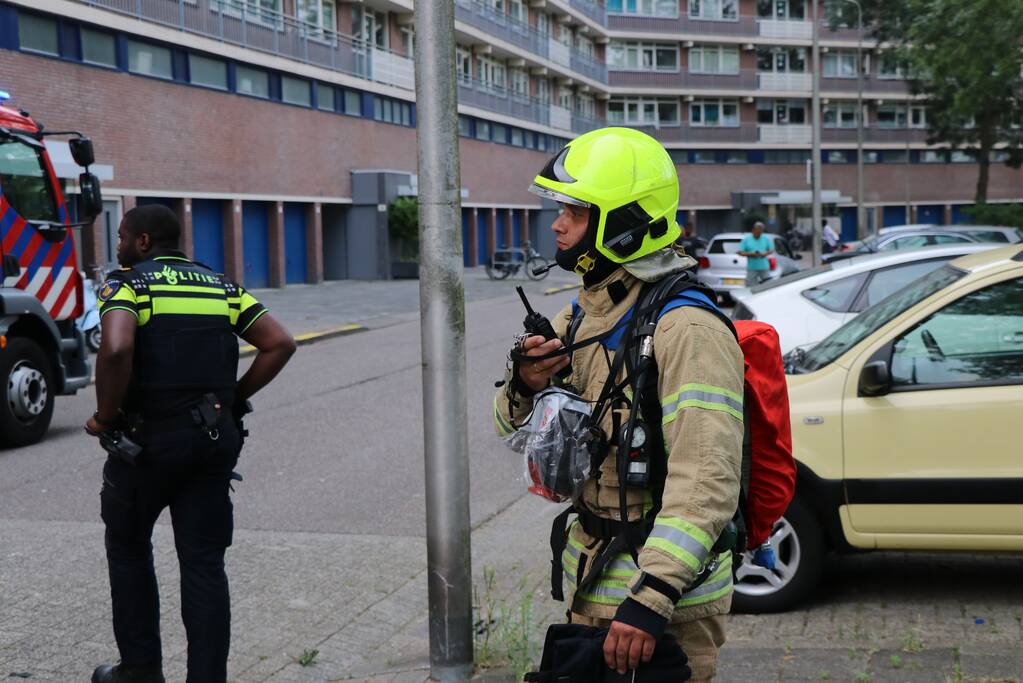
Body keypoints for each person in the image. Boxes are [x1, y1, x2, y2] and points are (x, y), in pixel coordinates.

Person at [494, 128, 743, 682]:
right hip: (594, 584)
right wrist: (526, 385)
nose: (557, 224)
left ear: (624, 222)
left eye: (576, 212)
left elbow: (706, 480)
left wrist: (652, 594)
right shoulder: (579, 317)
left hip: (664, 607)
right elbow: (512, 434)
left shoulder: (689, 330)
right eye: (560, 209)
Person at [87, 205, 296, 683]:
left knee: (128, 548)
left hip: (148, 444)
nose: (117, 245)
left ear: (142, 242)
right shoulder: (220, 287)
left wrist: (105, 417)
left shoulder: (129, 285)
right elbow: (279, 342)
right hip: (212, 442)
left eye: (121, 236)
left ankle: (139, 671)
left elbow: (117, 348)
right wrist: (232, 398)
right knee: (204, 565)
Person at [737, 221, 774, 286]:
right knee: (749, 287)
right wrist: (752, 254)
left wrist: (765, 254)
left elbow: (771, 250)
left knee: (768, 285)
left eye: (760, 232)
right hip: (752, 268)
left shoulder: (765, 239)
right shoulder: (746, 240)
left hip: (764, 267)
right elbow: (740, 252)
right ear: (753, 230)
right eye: (757, 231)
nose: (759, 233)